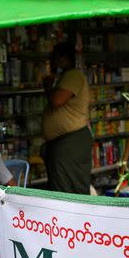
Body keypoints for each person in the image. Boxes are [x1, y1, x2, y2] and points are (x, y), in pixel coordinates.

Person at [41, 42, 93, 194]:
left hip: (70, 142)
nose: (51, 61)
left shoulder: (73, 75)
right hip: (63, 143)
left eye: (54, 57)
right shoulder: (65, 76)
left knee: (69, 188)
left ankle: (76, 217)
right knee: (63, 187)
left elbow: (57, 100)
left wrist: (47, 86)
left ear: (63, 58)